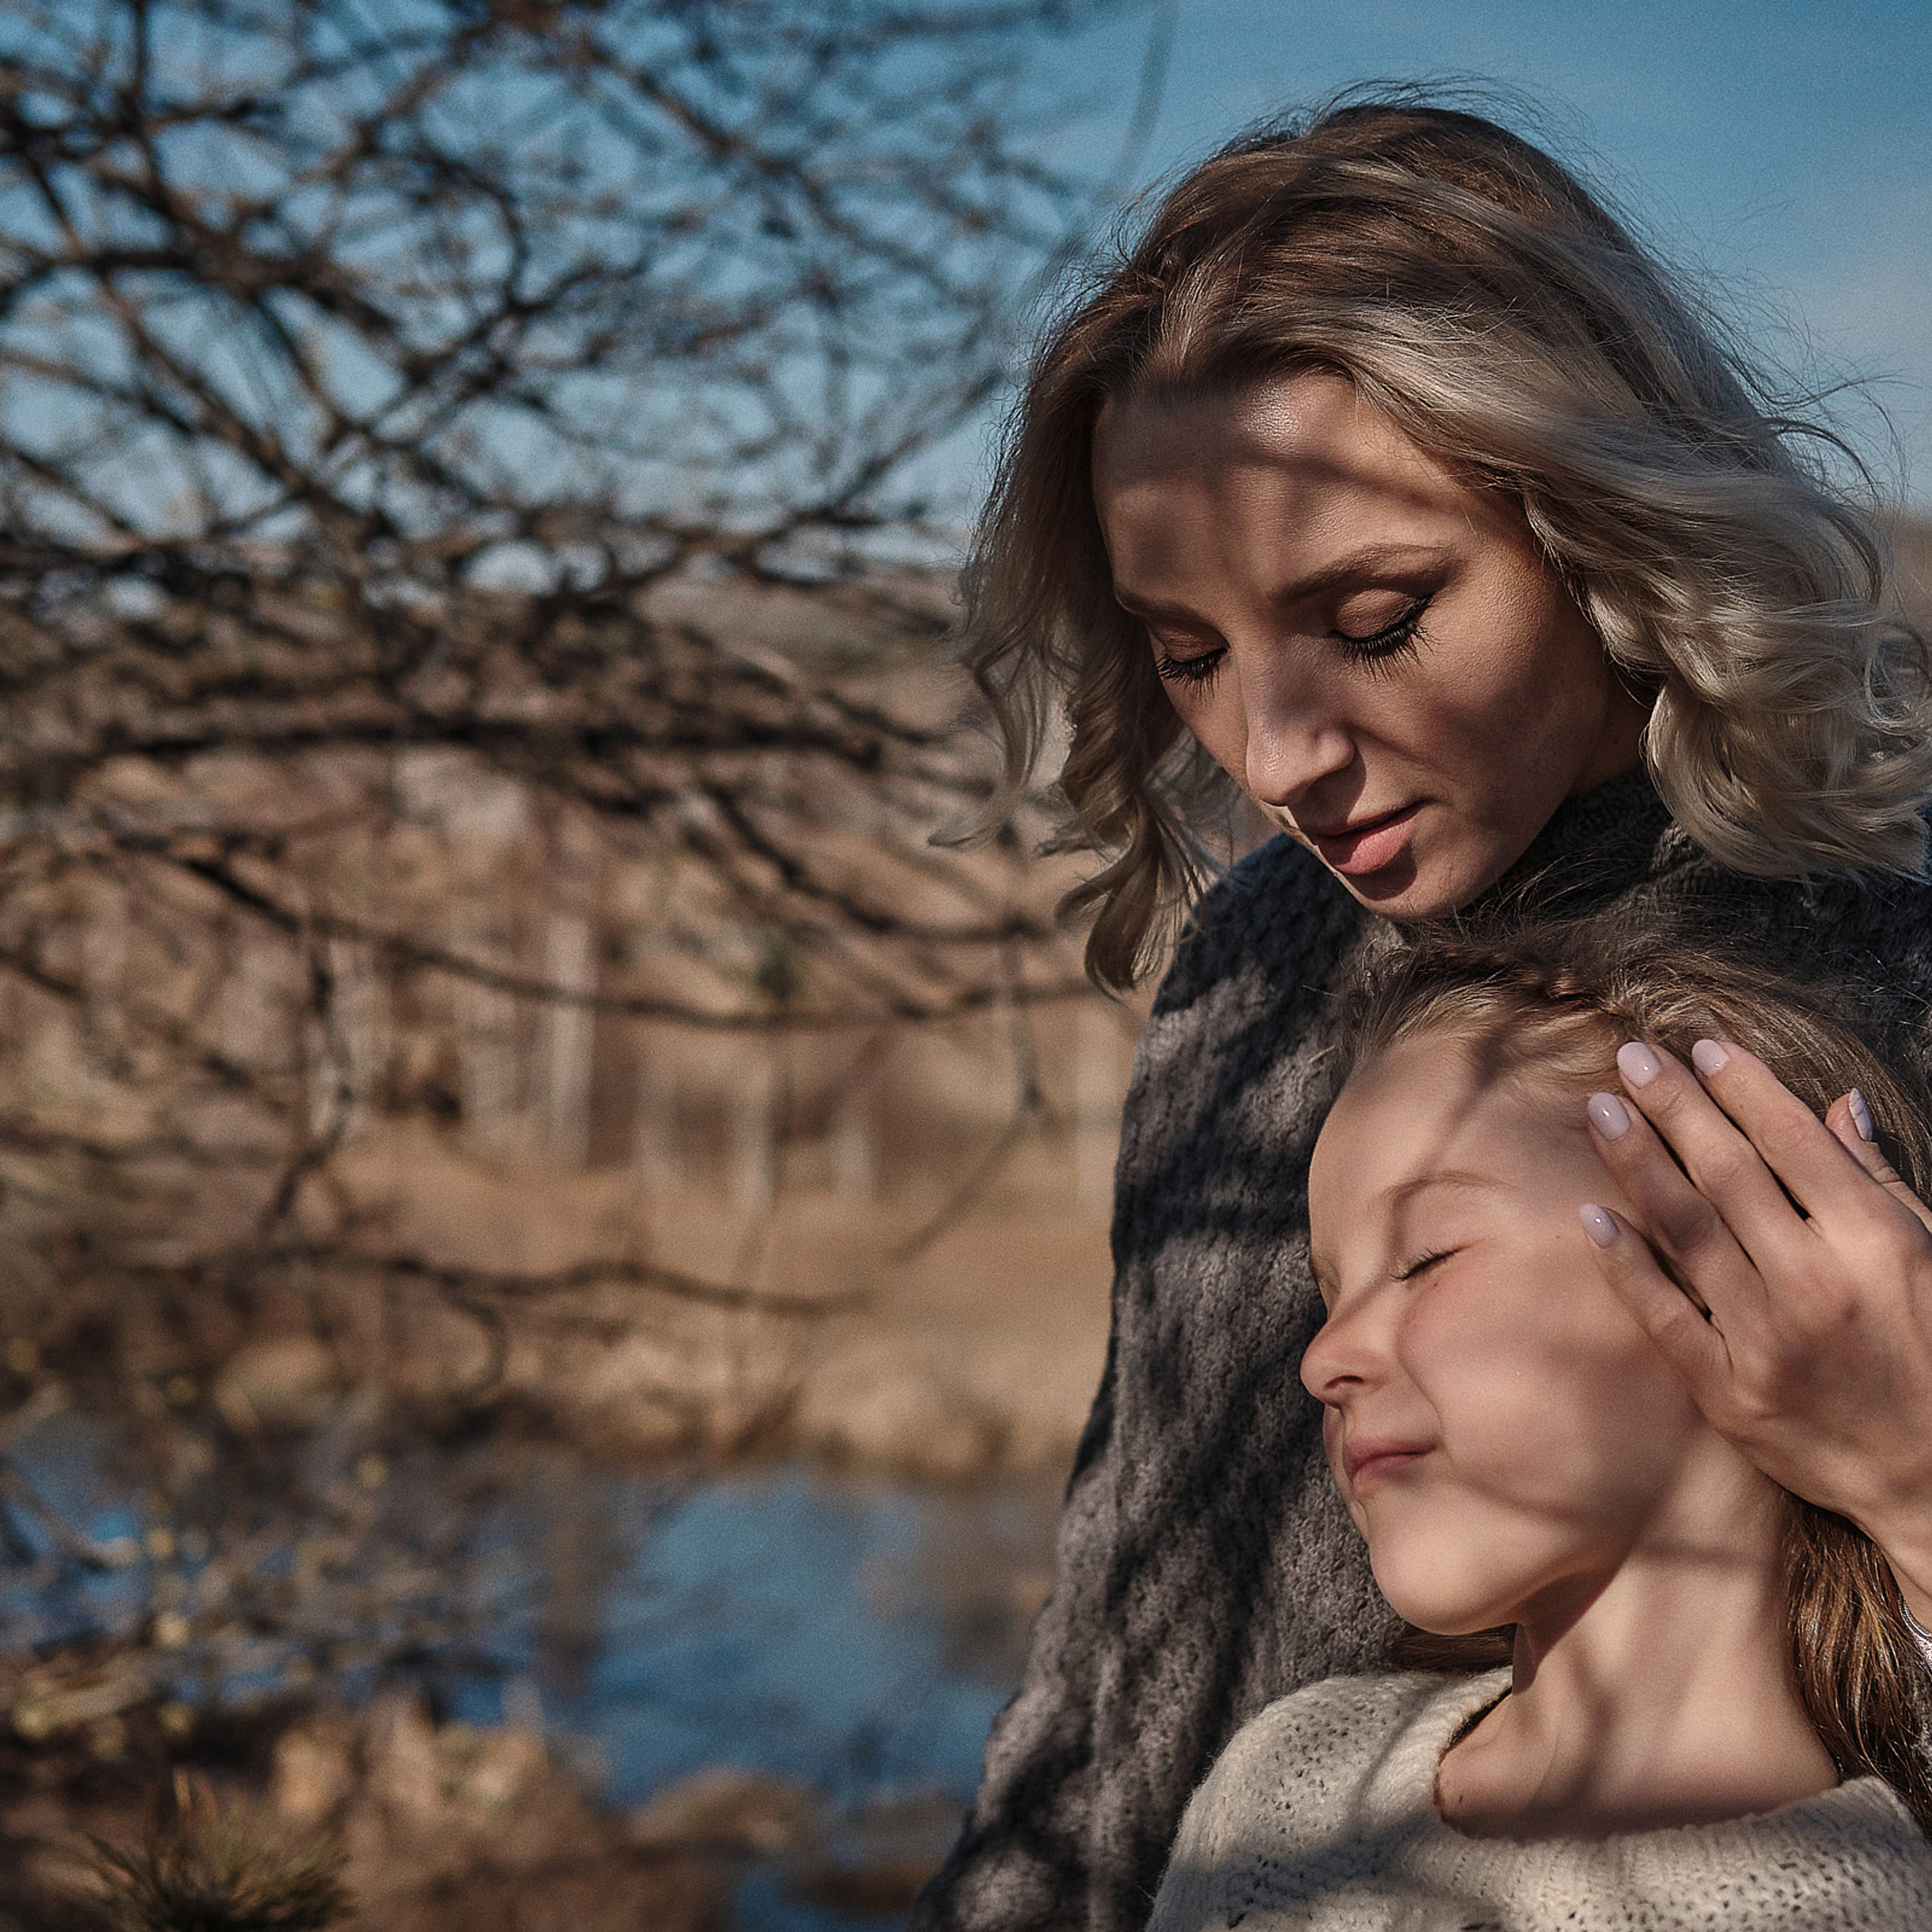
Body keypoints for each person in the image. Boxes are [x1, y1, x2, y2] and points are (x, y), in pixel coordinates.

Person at [911, 92, 1932, 1932]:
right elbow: (1112, 1643)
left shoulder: (1890, 976)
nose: (1276, 757)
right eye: (1191, 655)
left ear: (1603, 525)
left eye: (1374, 615)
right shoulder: (1252, 965)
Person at [1149, 923, 1932, 1932]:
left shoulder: (1857, 1905)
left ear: (1745, 1272)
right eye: (1328, 1295)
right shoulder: (1281, 1786)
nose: (1323, 1359)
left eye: (1427, 1257)